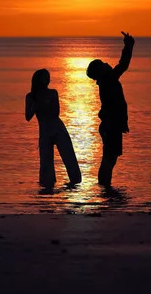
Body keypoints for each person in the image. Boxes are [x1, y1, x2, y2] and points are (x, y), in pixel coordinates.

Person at [86, 31, 135, 186]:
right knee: (109, 157)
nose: (106, 64)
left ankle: (105, 187)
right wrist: (128, 46)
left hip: (111, 125)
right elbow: (123, 65)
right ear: (100, 71)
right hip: (110, 125)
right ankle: (104, 187)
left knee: (110, 157)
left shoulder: (107, 80)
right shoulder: (108, 80)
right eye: (103, 64)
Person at [25, 69, 82, 189]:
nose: (47, 80)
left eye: (48, 77)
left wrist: (44, 106)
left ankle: (76, 183)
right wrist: (35, 107)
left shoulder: (53, 93)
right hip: (45, 131)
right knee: (46, 163)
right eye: (44, 77)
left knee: (69, 157)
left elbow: (56, 112)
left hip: (58, 129)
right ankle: (47, 187)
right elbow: (27, 117)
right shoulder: (31, 96)